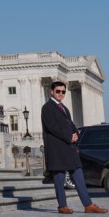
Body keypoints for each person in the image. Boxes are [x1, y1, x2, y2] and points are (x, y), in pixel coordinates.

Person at [41, 81, 107, 214]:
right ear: (52, 92)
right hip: (57, 149)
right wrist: (68, 136)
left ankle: (88, 204)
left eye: (63, 91)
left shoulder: (64, 107)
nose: (61, 94)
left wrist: (76, 134)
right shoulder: (47, 107)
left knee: (78, 175)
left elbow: (70, 124)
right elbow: (52, 127)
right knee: (59, 178)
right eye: (58, 91)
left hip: (69, 148)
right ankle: (62, 206)